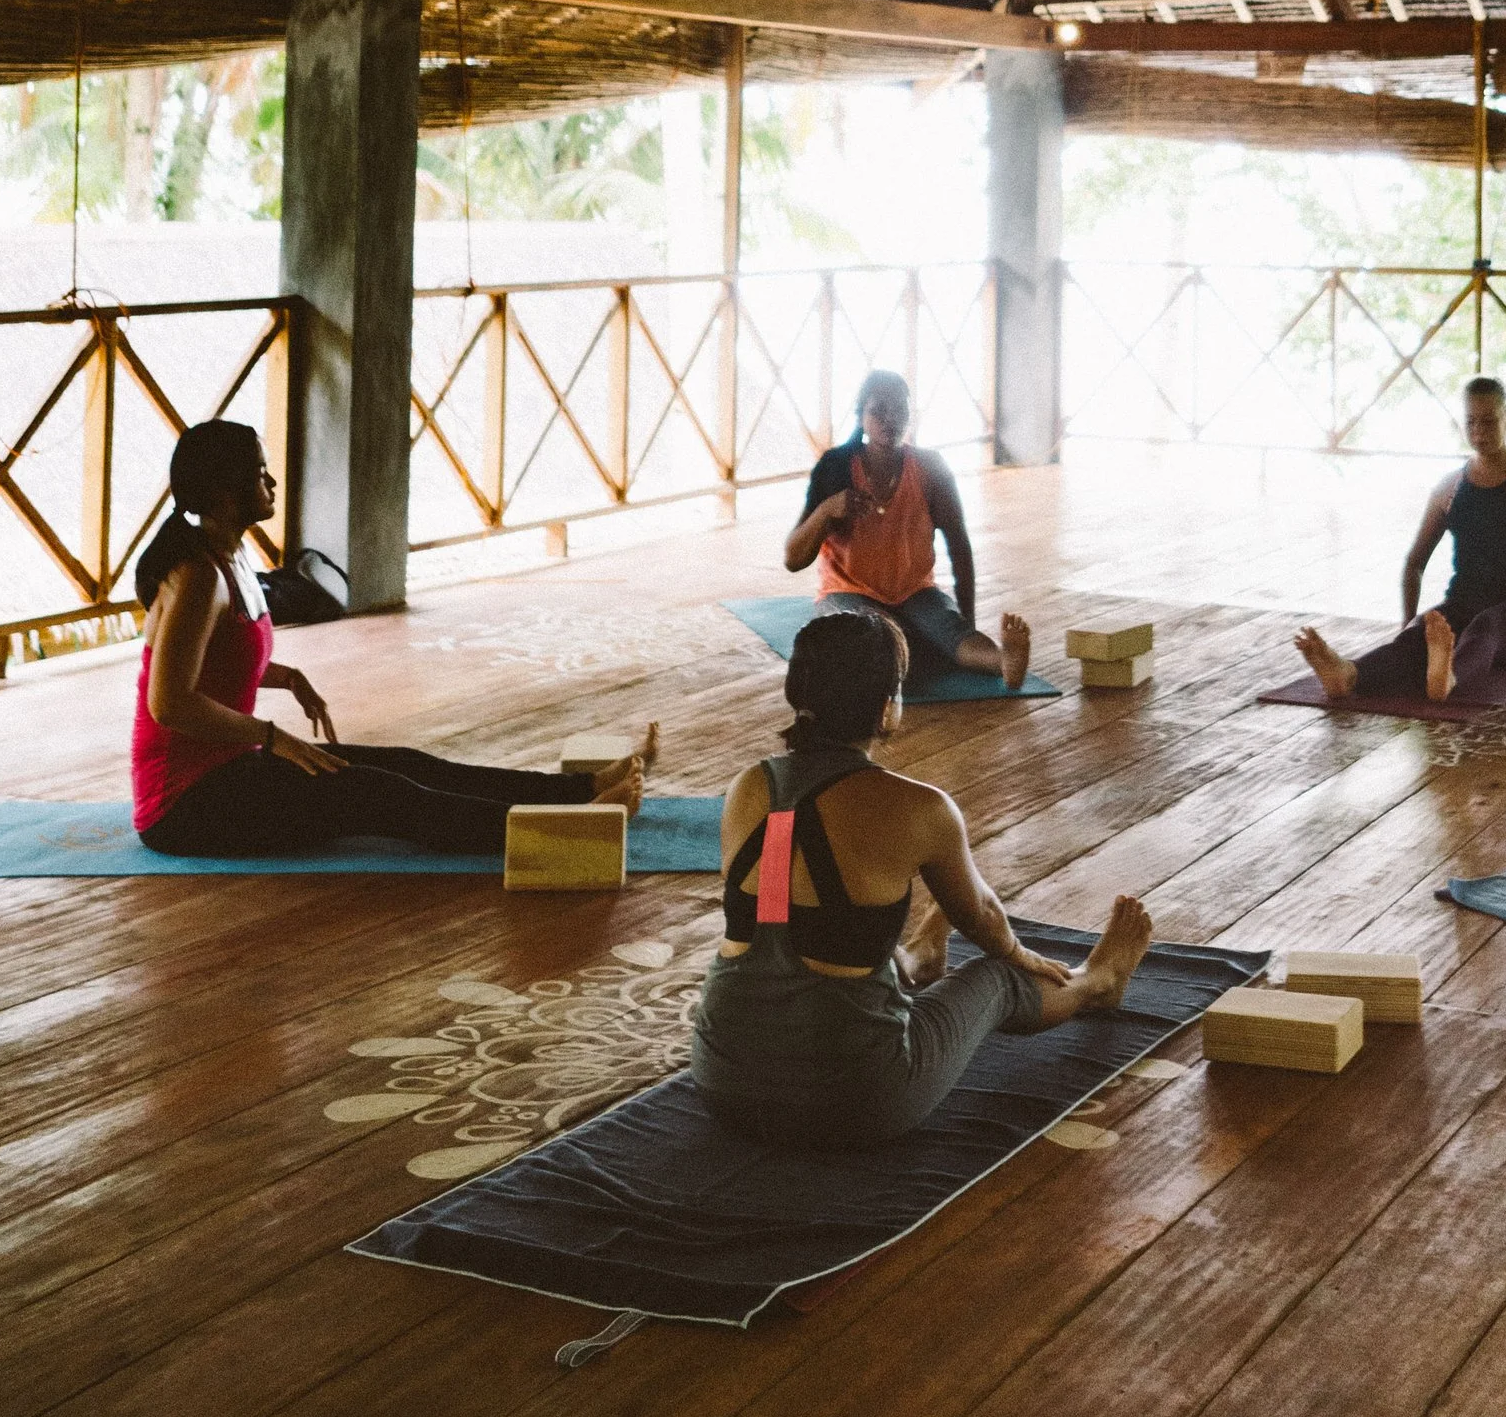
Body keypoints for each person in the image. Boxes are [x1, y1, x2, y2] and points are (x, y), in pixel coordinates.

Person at [691, 601, 1153, 1147]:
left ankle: (914, 961)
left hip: (725, 1085)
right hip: (855, 1102)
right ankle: (1098, 984)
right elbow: (982, 917)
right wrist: (1020, 958)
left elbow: (785, 913)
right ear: (887, 709)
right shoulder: (918, 807)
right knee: (993, 978)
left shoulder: (747, 787)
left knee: (798, 911)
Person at [130, 417, 654, 857]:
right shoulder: (197, 575)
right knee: (375, 793)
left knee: (405, 763)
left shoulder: (232, 555)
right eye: (259, 473)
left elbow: (211, 663)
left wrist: (286, 677)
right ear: (223, 492)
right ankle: (560, 833)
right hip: (184, 806)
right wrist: (273, 736)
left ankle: (579, 790)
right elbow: (170, 702)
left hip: (231, 768)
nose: (271, 482)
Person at [1293, 375, 1506, 703]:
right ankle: (1349, 674)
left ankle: (1448, 677)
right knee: (1420, 635)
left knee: (1487, 627)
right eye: (1471, 422)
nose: (1479, 432)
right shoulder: (1450, 489)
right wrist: (1408, 619)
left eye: (1489, 421)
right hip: (1464, 605)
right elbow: (1414, 563)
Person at [783, 367, 1034, 693]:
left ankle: (1004, 662)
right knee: (873, 633)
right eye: (879, 410)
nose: (890, 419)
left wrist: (967, 618)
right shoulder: (836, 467)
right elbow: (793, 558)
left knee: (949, 630)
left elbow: (958, 544)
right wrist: (828, 510)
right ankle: (895, 655)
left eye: (899, 410)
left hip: (915, 591)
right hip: (848, 590)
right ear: (861, 417)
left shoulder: (930, 468)